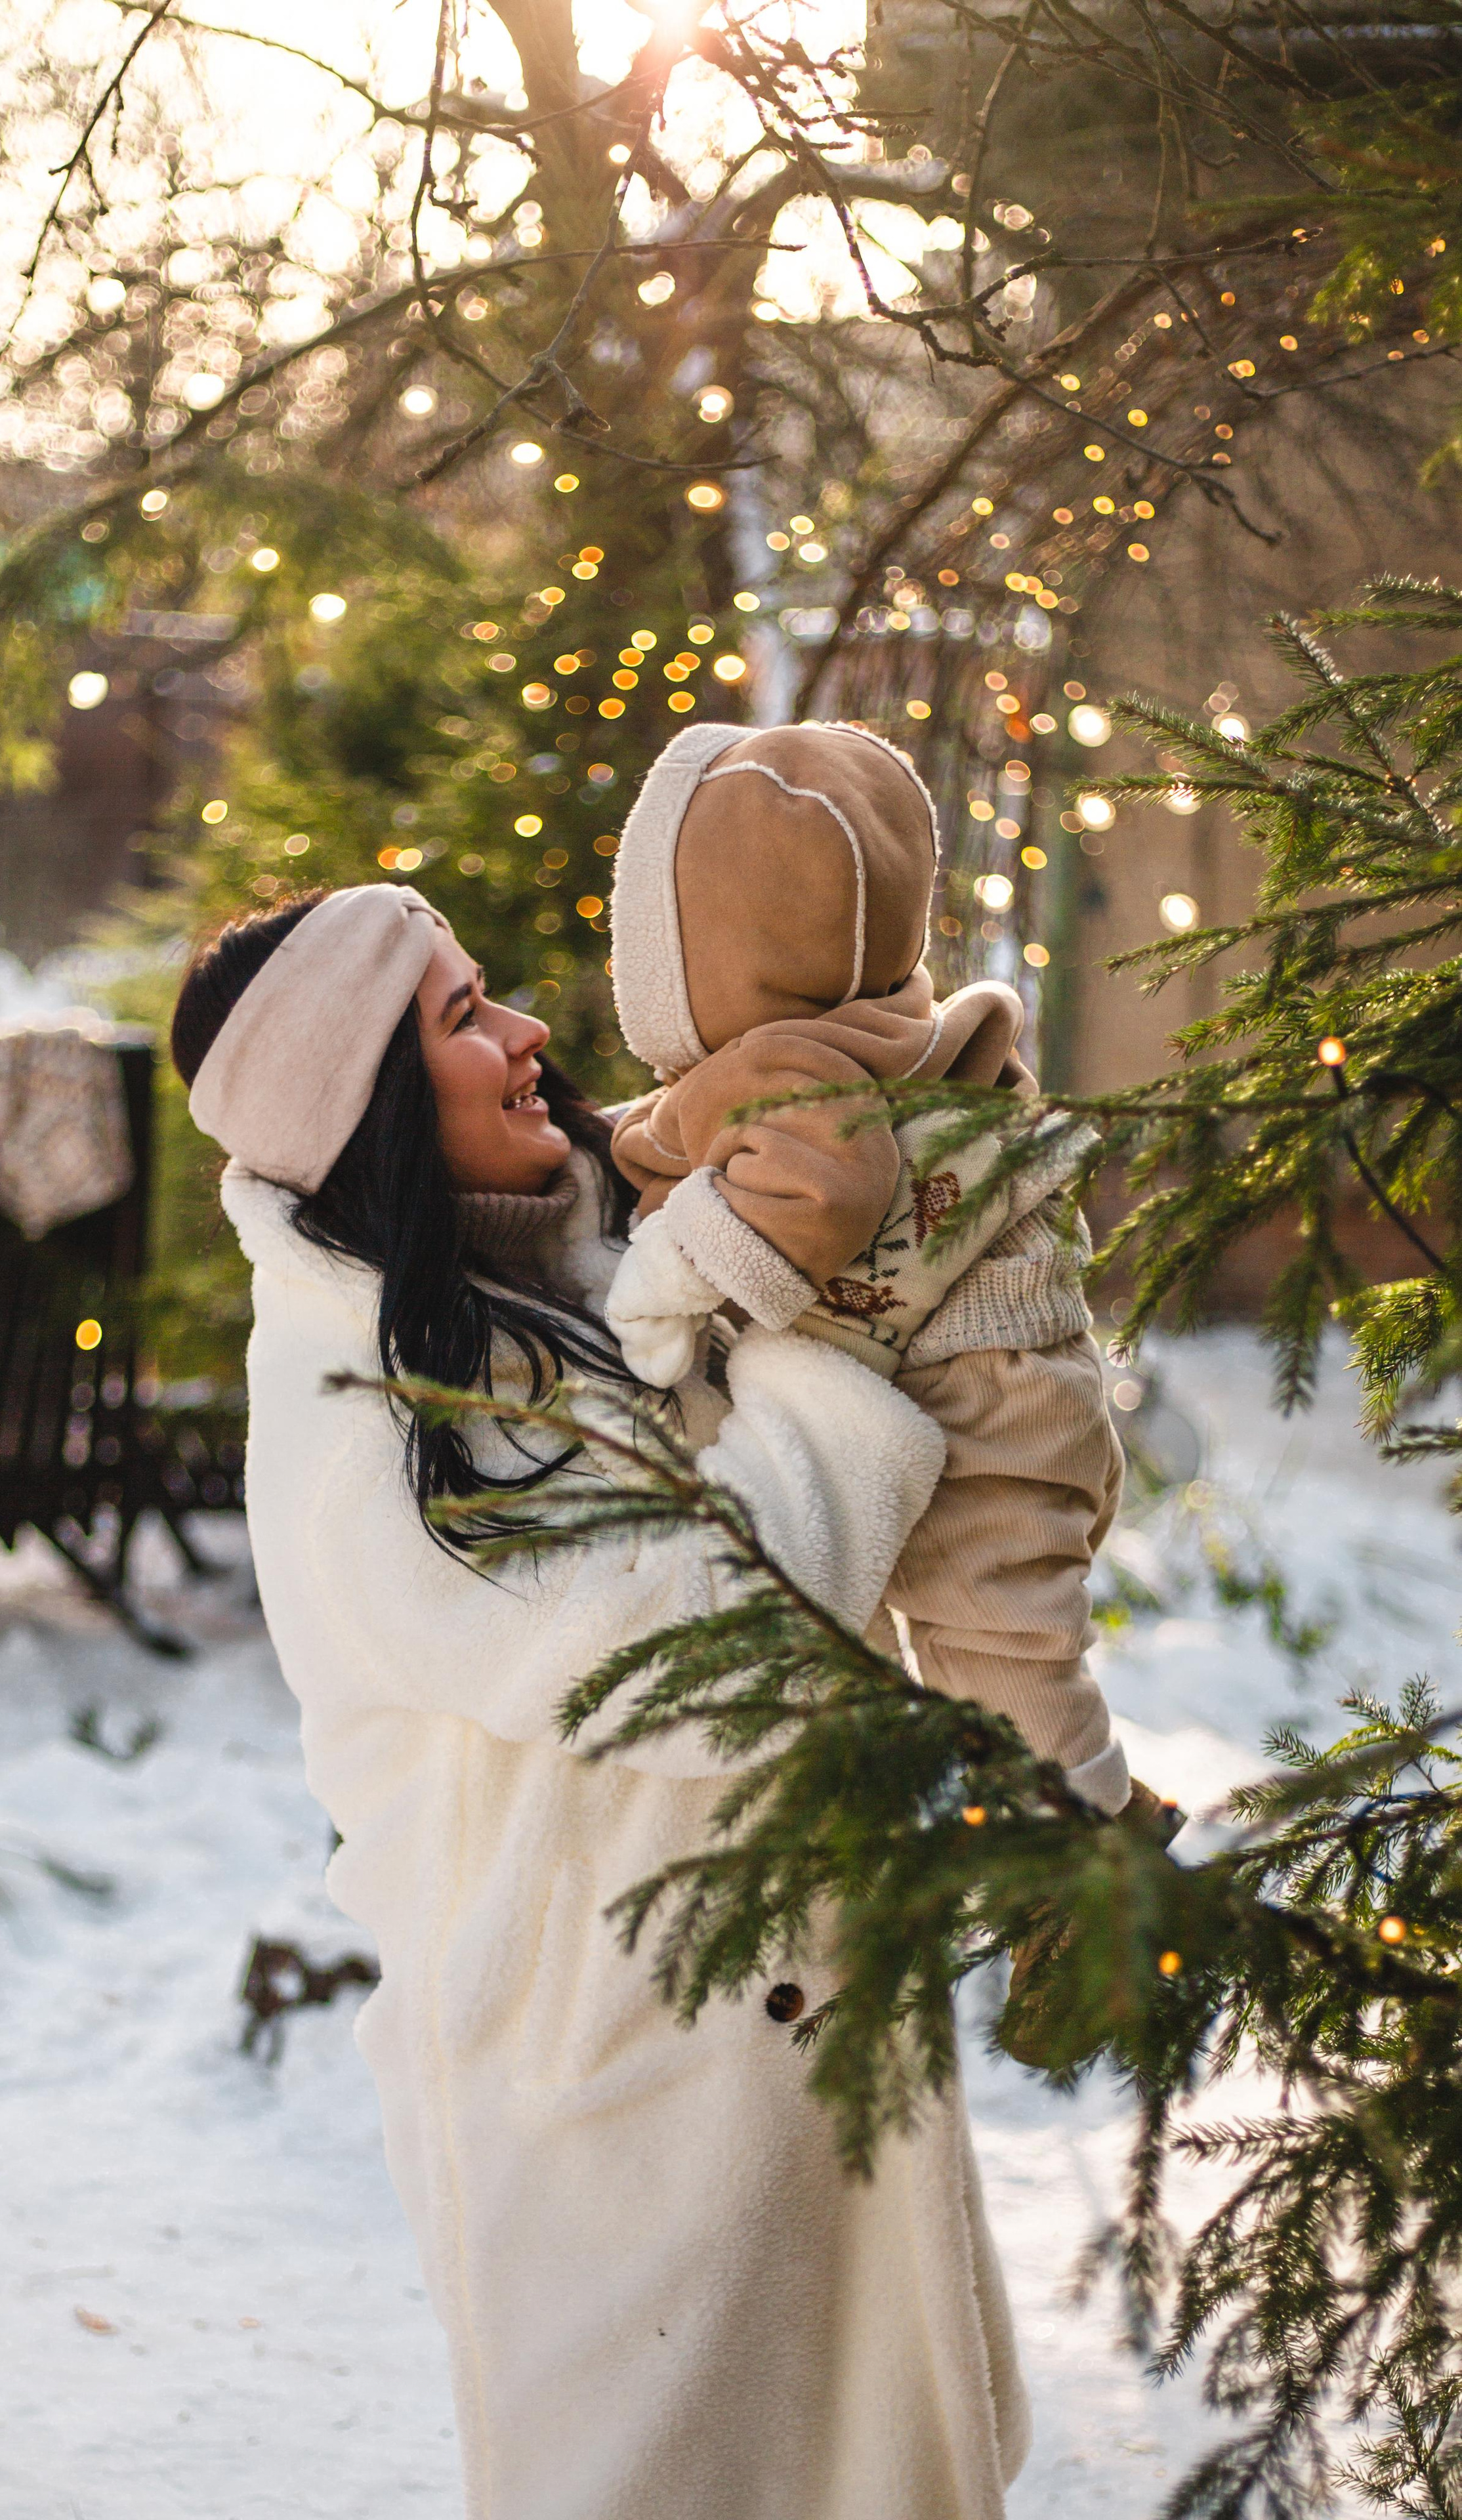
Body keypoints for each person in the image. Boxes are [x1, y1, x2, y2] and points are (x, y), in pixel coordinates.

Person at [172, 881, 1031, 2520]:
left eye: (487, 993)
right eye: (461, 1021)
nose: (524, 1038)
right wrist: (816, 1341)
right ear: (365, 1114)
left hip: (771, 2042)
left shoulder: (601, 1253)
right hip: (613, 2102)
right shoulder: (371, 1429)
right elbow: (717, 1647)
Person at [600, 720, 1133, 1819]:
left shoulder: (794, 1076)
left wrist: (668, 1280)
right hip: (1019, 1375)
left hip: (983, 1403)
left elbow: (821, 1190)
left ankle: (1085, 1855)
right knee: (999, 1636)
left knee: (998, 1646)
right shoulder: (874, 1031)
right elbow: (673, 1137)